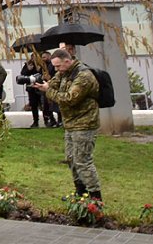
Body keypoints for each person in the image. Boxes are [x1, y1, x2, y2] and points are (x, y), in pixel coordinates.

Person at [33, 47, 102, 200]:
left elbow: (70, 98)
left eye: (58, 66)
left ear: (67, 61)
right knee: (71, 158)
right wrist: (43, 84)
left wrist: (48, 91)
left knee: (83, 161)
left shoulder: (84, 76)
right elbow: (53, 84)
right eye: (55, 67)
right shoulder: (64, 73)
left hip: (84, 123)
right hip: (70, 123)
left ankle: (96, 198)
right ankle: (80, 192)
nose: (56, 69)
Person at [20, 54, 44, 128]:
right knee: (33, 105)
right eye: (33, 57)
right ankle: (35, 121)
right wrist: (28, 69)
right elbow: (22, 74)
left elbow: (45, 74)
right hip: (31, 88)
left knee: (43, 104)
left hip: (41, 87)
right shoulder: (28, 64)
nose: (34, 59)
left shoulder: (42, 64)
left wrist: (40, 70)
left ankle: (48, 119)